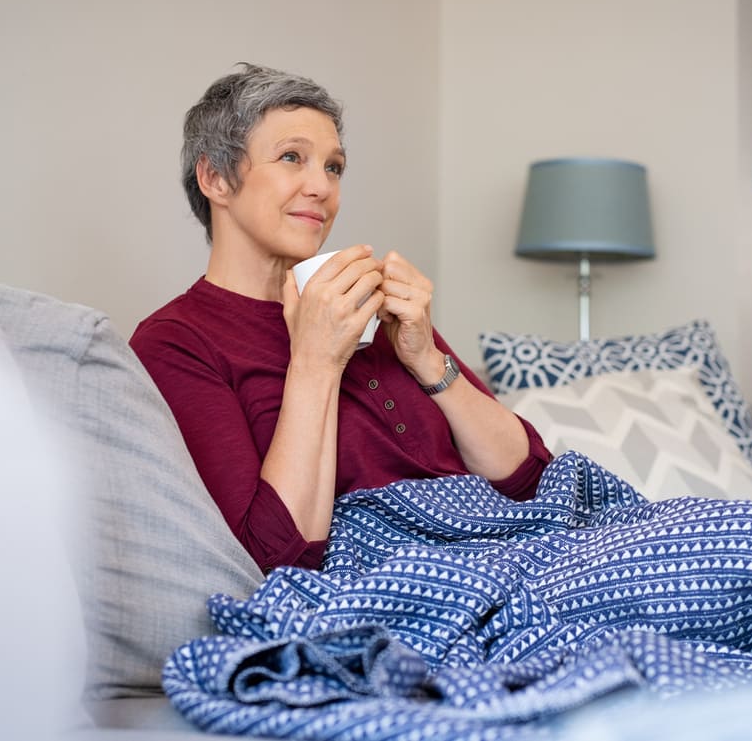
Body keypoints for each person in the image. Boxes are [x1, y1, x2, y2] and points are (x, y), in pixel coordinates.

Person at [131, 63, 552, 572]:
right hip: (409, 582)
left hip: (514, 545)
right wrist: (316, 361)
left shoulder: (366, 302)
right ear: (215, 178)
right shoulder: (176, 342)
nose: (322, 188)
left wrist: (425, 358)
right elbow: (276, 558)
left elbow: (530, 479)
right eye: (292, 158)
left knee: (675, 535)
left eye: (333, 167)